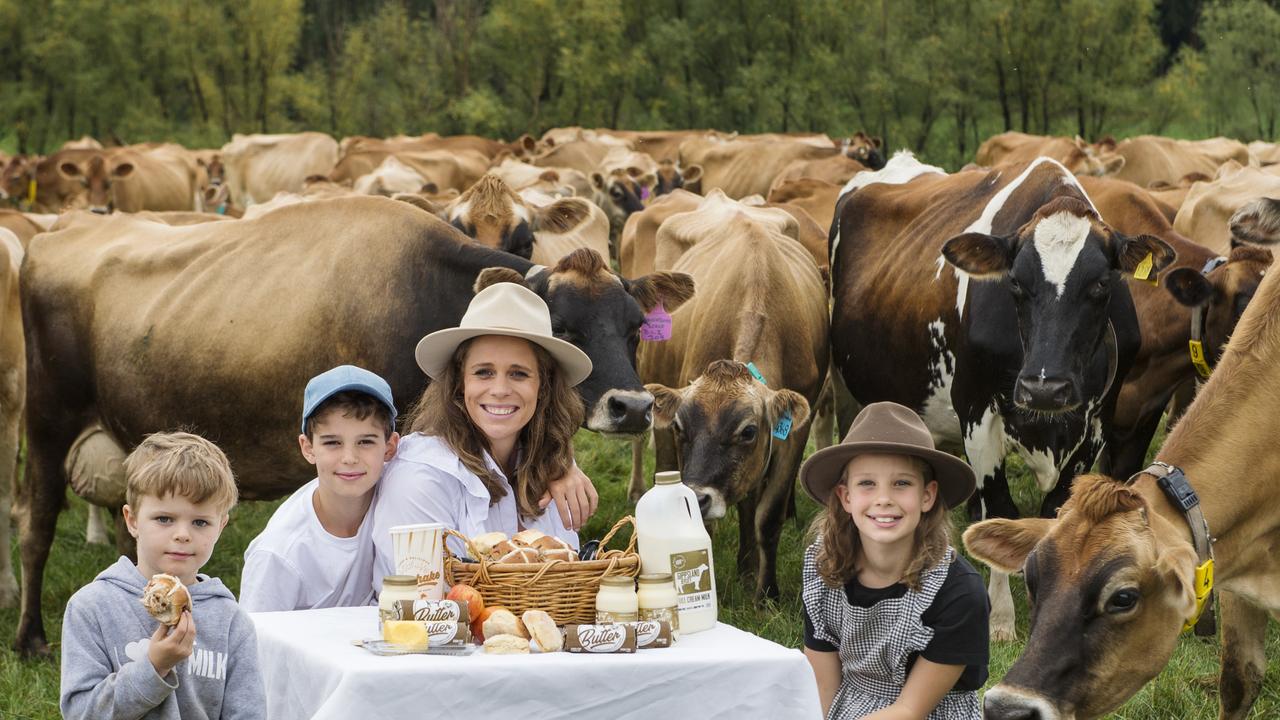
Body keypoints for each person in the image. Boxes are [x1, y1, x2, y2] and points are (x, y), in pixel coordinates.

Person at [371, 279, 599, 587]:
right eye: (483, 372)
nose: (500, 390)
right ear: (459, 382)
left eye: (519, 373)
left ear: (543, 387)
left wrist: (563, 463)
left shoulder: (550, 471)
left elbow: (567, 584)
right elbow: (429, 602)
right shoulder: (421, 477)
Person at [799, 402, 989, 720]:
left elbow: (910, 710)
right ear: (846, 497)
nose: (884, 498)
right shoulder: (823, 567)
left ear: (927, 496)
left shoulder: (958, 591)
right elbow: (823, 685)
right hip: (848, 707)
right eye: (867, 483)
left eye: (902, 483)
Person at [60, 431, 265, 720]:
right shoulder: (92, 609)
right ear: (132, 520)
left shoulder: (231, 622)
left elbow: (247, 712)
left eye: (200, 522)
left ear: (220, 527)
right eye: (164, 519)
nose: (182, 534)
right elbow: (81, 712)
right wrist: (153, 667)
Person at [239, 364, 400, 612]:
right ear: (308, 448)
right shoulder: (280, 554)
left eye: (365, 441)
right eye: (332, 442)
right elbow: (253, 642)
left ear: (390, 447)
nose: (349, 458)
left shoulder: (398, 497)